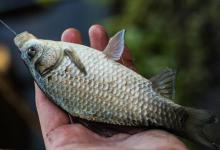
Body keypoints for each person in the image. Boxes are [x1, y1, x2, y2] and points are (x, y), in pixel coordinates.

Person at [35, 24, 188, 150]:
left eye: (32, 52)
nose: (32, 48)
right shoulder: (62, 59)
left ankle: (179, 120)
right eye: (32, 52)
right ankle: (183, 121)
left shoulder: (56, 71)